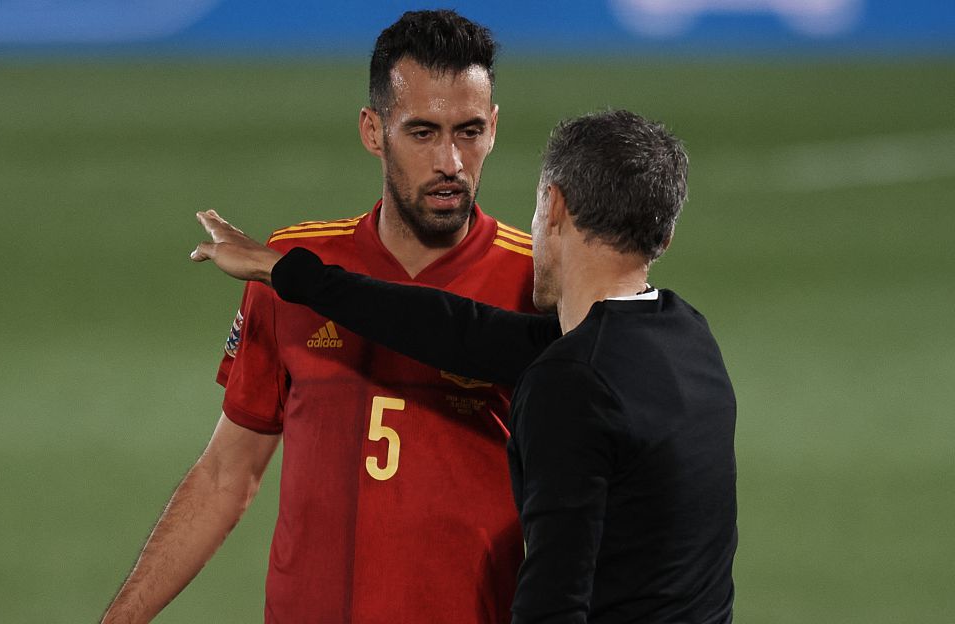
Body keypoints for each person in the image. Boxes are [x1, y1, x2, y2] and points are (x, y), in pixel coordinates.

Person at [191, 110, 739, 623]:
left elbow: (554, 599)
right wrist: (288, 273)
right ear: (664, 234)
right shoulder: (684, 337)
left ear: (554, 207)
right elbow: (460, 331)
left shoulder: (570, 385)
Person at [102, 10, 538, 624]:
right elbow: (228, 474)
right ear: (373, 130)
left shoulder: (537, 283)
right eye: (421, 132)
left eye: (468, 132)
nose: (450, 162)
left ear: (493, 128)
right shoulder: (289, 269)